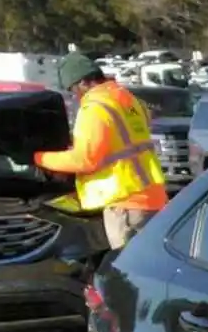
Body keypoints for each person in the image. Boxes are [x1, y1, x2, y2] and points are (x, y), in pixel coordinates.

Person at [33, 54, 169, 248]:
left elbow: (84, 160)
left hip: (125, 203)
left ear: (83, 82)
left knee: (125, 269)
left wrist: (40, 158)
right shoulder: (129, 100)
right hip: (152, 196)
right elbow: (124, 141)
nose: (76, 96)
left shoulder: (94, 107)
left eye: (73, 90)